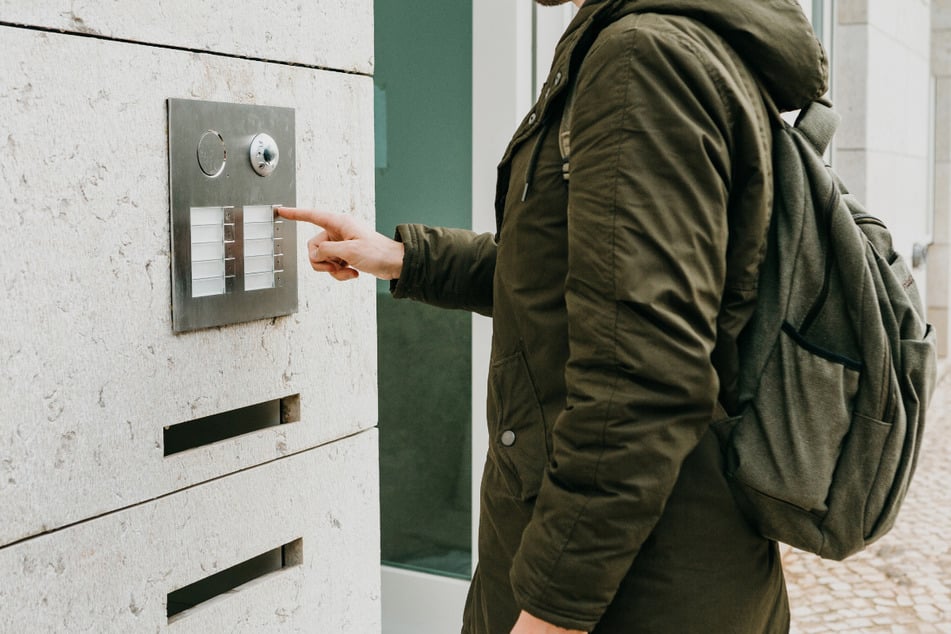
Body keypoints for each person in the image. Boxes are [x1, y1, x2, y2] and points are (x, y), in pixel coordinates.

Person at [280, 0, 827, 631]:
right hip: (666, 562)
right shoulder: (671, 45)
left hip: (632, 590)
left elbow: (645, 374)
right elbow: (580, 280)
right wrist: (405, 257)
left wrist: (552, 614)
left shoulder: (642, 60)